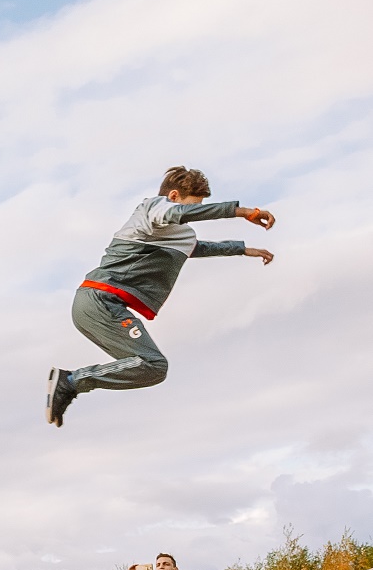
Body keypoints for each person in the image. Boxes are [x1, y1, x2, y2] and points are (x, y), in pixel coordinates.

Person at [46, 167, 275, 427]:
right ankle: (71, 382)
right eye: (193, 207)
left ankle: (72, 383)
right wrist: (244, 212)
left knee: (151, 369)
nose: (189, 218)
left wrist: (244, 250)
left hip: (99, 304)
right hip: (100, 301)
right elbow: (178, 213)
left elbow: (196, 247)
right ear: (175, 196)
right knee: (154, 364)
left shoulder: (178, 234)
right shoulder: (154, 208)